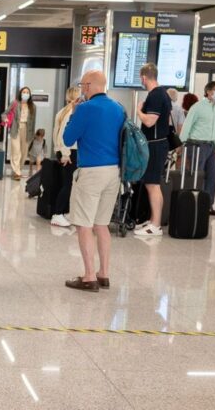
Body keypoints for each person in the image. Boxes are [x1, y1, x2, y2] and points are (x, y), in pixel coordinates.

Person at [62, 70, 123, 292]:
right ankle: (104, 273)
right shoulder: (118, 108)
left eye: (82, 86)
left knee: (84, 225)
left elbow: (68, 139)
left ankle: (88, 276)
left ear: (88, 86)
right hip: (114, 172)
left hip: (91, 172)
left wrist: (74, 113)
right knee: (102, 224)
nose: (81, 89)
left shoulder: (85, 109)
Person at [134, 63, 171, 237]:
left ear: (143, 77)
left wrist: (138, 110)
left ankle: (156, 224)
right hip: (155, 144)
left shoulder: (156, 95)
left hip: (155, 145)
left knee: (153, 184)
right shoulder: (160, 93)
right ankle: (153, 219)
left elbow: (149, 121)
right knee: (152, 184)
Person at [179, 81, 215, 217]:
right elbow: (187, 126)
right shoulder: (197, 107)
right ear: (209, 91)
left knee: (212, 177)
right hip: (197, 145)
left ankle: (207, 205)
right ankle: (194, 204)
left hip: (210, 147)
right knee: (197, 176)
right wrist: (182, 144)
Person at [51, 86, 81, 227]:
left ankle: (64, 212)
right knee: (68, 184)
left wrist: (58, 150)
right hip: (69, 152)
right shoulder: (70, 112)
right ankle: (58, 214)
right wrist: (65, 153)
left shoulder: (62, 112)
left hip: (64, 151)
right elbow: (65, 134)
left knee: (68, 183)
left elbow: (55, 134)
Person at [5, 86, 36, 180]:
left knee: (24, 152)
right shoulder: (15, 103)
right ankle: (17, 172)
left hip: (27, 130)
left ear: (29, 95)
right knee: (16, 150)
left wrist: (32, 135)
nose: (25, 94)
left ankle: (18, 170)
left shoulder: (33, 106)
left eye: (27, 92)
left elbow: (33, 121)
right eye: (24, 92)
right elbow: (5, 113)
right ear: (20, 93)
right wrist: (6, 119)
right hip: (16, 129)